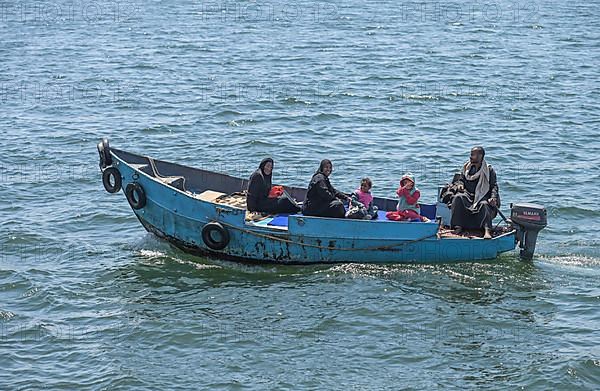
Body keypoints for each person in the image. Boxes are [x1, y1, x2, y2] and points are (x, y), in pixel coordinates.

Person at [450, 146, 500, 239]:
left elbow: (494, 186)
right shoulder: (467, 167)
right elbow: (460, 180)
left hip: (483, 196)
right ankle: (458, 227)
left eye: (473, 155)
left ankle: (487, 230)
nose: (470, 156)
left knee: (484, 205)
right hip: (468, 195)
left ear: (480, 156)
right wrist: (460, 185)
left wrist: (493, 198)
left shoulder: (489, 170)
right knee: (458, 198)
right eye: (471, 154)